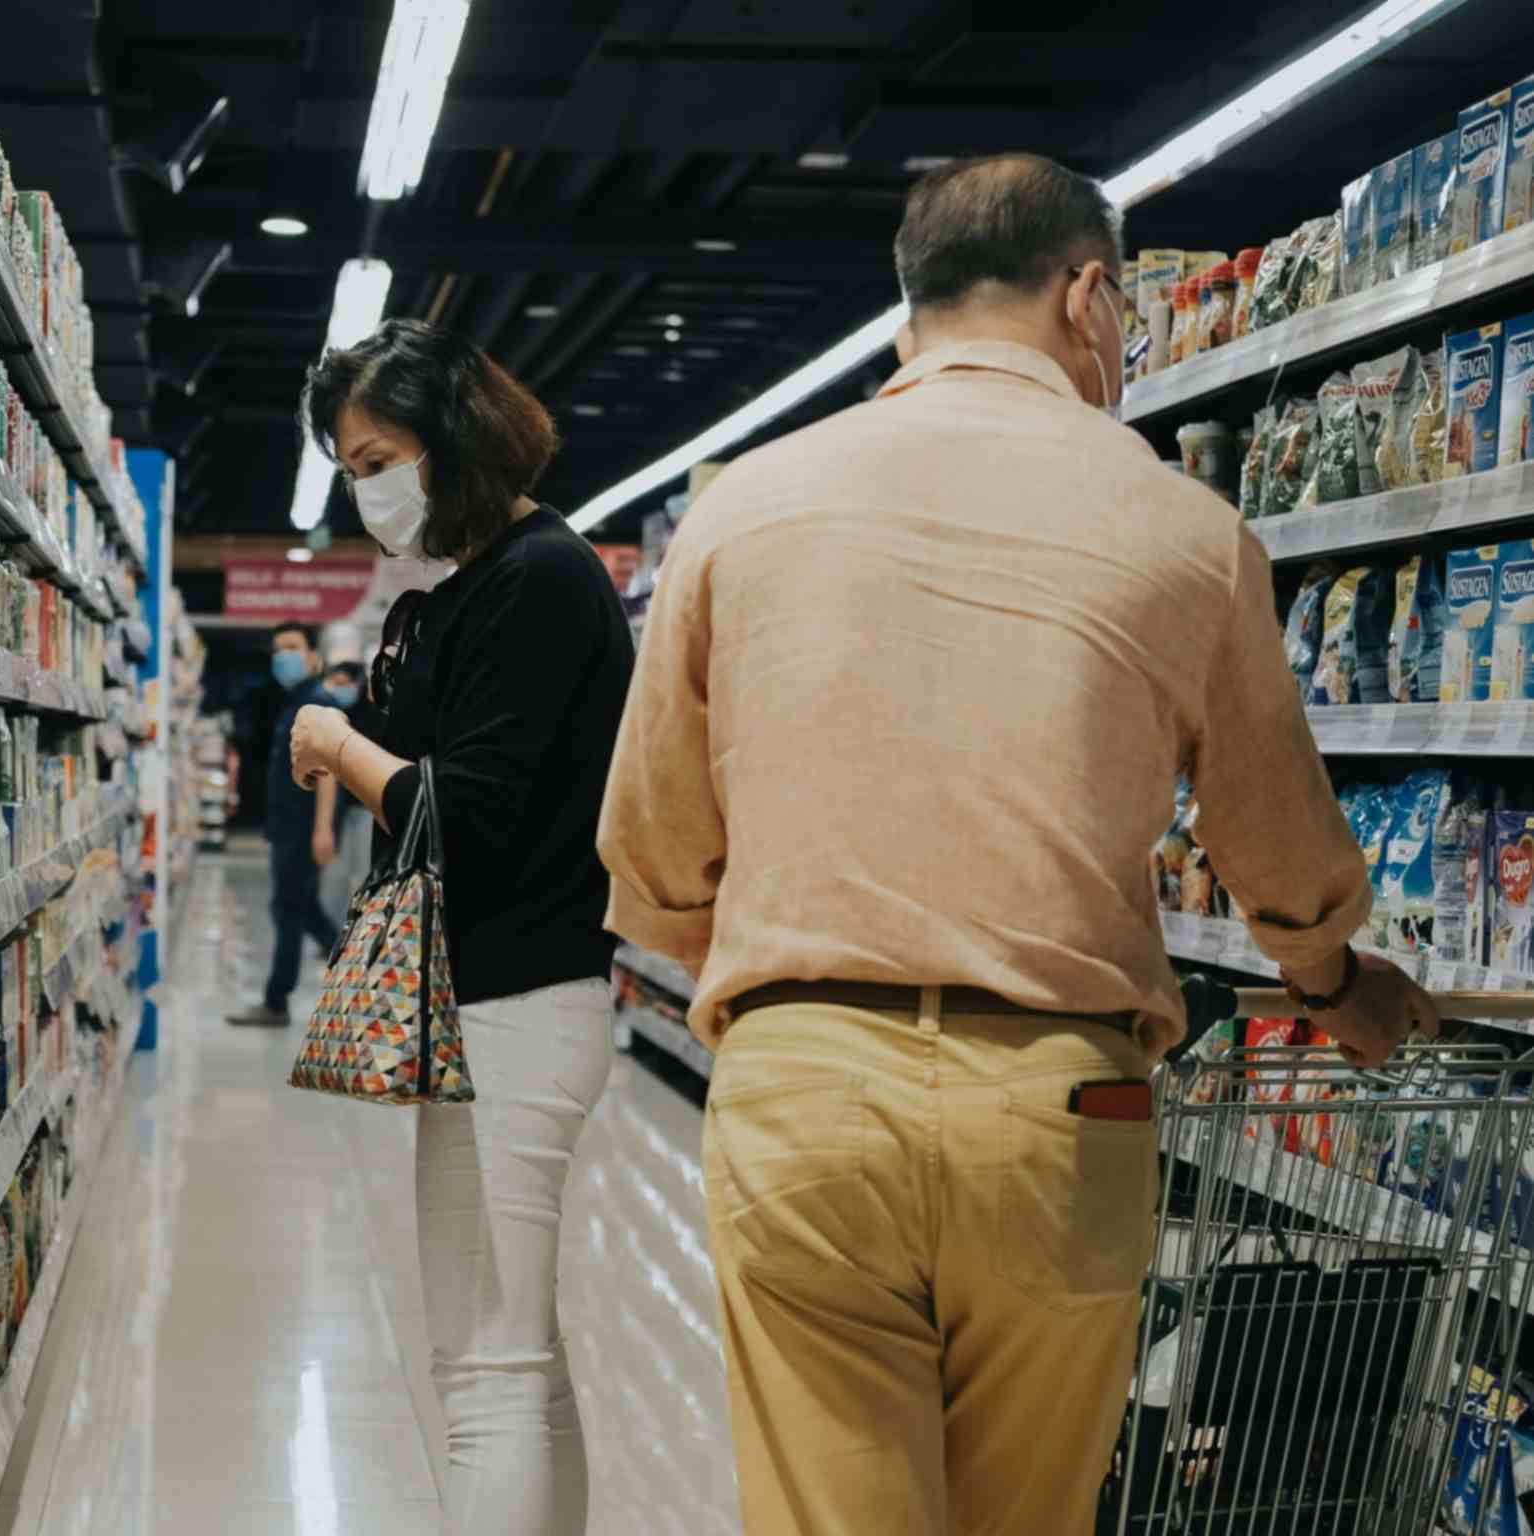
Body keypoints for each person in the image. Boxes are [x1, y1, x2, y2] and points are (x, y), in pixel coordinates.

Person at [596, 153, 1438, 1536]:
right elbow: (1274, 844)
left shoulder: (742, 506)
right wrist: (1331, 989)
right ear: (1090, 295)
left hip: (805, 1095)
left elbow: (647, 852)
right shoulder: (1183, 527)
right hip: (1058, 1106)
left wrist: (791, 989)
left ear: (909, 302)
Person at [287, 319, 634, 1536]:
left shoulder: (536, 580)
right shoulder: (479, 582)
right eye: (348, 466)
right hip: (499, 1000)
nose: (363, 485)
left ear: (454, 441)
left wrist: (339, 746)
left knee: (481, 1371)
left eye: (378, 455)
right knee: (519, 1360)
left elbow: (465, 817)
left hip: (512, 1006)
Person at [226, 621, 338, 1028]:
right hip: (288, 826)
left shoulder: (319, 704)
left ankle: (276, 1002)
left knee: (288, 911)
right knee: (302, 907)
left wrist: (323, 829)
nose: (282, 656)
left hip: (302, 829)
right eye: (276, 649)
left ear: (312, 656)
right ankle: (352, 961)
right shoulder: (294, 702)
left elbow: (329, 772)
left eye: (291, 647)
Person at [312, 658, 376, 916]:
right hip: (338, 808)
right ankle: (333, 933)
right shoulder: (332, 716)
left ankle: (359, 931)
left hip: (366, 809)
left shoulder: (375, 718)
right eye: (334, 684)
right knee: (334, 873)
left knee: (362, 873)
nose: (340, 690)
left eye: (344, 684)